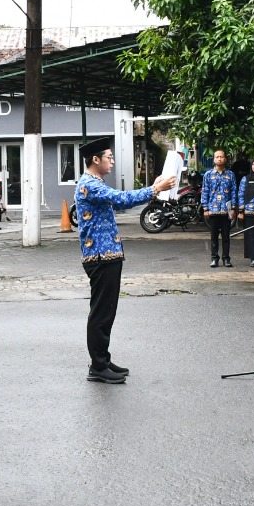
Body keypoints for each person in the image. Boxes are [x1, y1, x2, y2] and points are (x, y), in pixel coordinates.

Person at [75, 136, 177, 383]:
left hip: (108, 254)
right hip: (100, 256)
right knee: (101, 312)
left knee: (107, 311)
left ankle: (103, 359)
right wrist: (155, 190)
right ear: (95, 159)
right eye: (109, 157)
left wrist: (155, 187)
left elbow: (119, 202)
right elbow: (121, 199)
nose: (112, 161)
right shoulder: (89, 184)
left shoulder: (96, 182)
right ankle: (98, 366)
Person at [201, 149, 236, 268]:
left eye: (222, 157)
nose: (219, 159)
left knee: (226, 236)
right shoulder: (208, 175)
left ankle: (226, 258)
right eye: (217, 157)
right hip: (213, 210)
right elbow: (205, 192)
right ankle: (214, 258)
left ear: (225, 159)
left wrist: (233, 208)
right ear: (214, 160)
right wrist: (205, 209)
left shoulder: (231, 175)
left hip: (226, 211)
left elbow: (233, 192)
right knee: (214, 236)